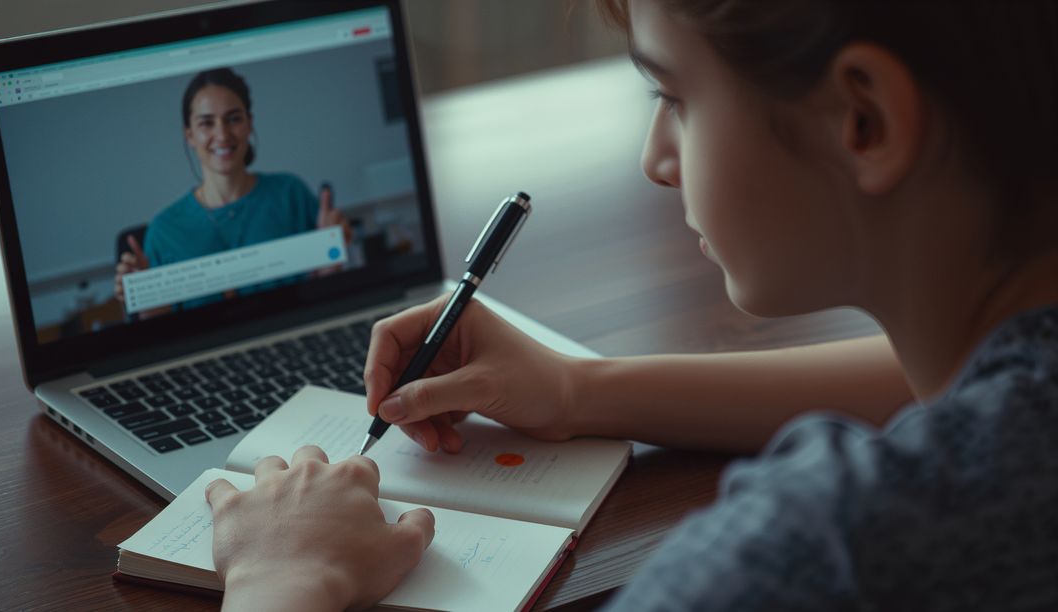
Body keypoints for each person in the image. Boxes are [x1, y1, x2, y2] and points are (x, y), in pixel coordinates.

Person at [203, 0, 1058, 610]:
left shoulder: (804, 560)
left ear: (862, 119)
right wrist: (579, 390)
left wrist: (284, 579)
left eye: (674, 97)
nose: (655, 159)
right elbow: (928, 384)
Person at [113, 67, 350, 316]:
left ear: (249, 124)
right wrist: (148, 305)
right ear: (190, 135)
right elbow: (162, 331)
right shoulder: (164, 232)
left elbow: (326, 301)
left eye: (234, 119)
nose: (222, 134)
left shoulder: (291, 195)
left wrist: (332, 259)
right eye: (207, 123)